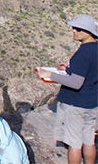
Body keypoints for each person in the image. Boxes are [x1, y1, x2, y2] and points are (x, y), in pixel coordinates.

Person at [36, 14, 98, 164]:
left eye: (78, 29)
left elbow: (76, 83)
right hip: (92, 102)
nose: (73, 31)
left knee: (74, 143)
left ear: (88, 32)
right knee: (89, 140)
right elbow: (90, 71)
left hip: (76, 104)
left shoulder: (83, 53)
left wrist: (50, 74)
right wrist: (69, 69)